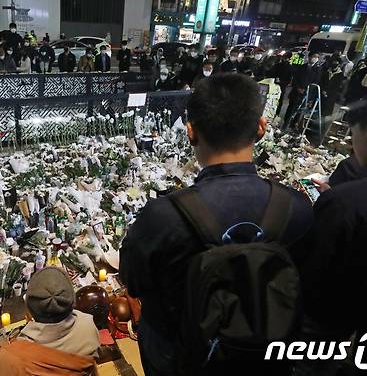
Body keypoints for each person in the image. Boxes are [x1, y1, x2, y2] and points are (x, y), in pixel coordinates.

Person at [120, 73, 313, 376]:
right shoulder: (298, 209)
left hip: (182, 359)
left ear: (191, 133)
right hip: (268, 358)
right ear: (261, 128)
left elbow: (135, 281)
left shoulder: (162, 216)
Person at [296, 88, 367, 375]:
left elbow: (313, 280)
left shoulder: (348, 201)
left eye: (352, 132)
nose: (351, 141)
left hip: (337, 331)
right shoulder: (354, 197)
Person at [283, 52, 322, 129]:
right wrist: (298, 88)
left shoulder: (318, 70)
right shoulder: (302, 67)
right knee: (291, 108)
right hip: (296, 91)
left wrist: (307, 91)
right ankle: (286, 123)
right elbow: (295, 78)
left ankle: (294, 125)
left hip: (306, 93)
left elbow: (316, 82)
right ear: (309, 57)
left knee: (300, 110)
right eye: (314, 56)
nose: (315, 58)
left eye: (317, 57)